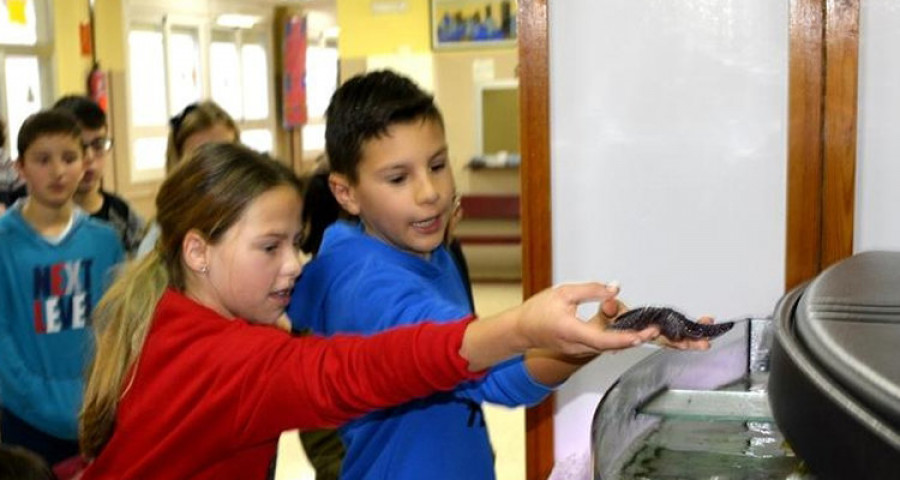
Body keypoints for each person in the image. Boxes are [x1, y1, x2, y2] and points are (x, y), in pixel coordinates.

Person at [77, 142, 660, 480]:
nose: (294, 265)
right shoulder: (234, 357)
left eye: (297, 243)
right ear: (198, 250)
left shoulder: (162, 310)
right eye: (270, 247)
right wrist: (519, 327)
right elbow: (358, 371)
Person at [287, 70, 711, 480]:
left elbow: (488, 374)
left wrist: (598, 334)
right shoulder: (365, 288)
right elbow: (496, 377)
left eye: (437, 165)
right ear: (346, 192)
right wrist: (546, 331)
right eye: (398, 178)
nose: (429, 193)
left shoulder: (419, 247)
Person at [0, 110, 125, 466]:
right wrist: (58, 409)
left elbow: (117, 330)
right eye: (43, 160)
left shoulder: (105, 241)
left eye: (69, 158)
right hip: (25, 423)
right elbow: (3, 349)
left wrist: (99, 399)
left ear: (84, 162)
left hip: (99, 413)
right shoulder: (4, 246)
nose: (58, 171)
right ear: (20, 167)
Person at [135, 100, 239, 257]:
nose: (214, 169)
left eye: (225, 155)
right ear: (178, 167)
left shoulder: (256, 218)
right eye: (199, 160)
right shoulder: (160, 239)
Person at [52, 95, 145, 256]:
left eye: (98, 145)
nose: (89, 158)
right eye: (79, 146)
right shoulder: (40, 218)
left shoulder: (123, 215)